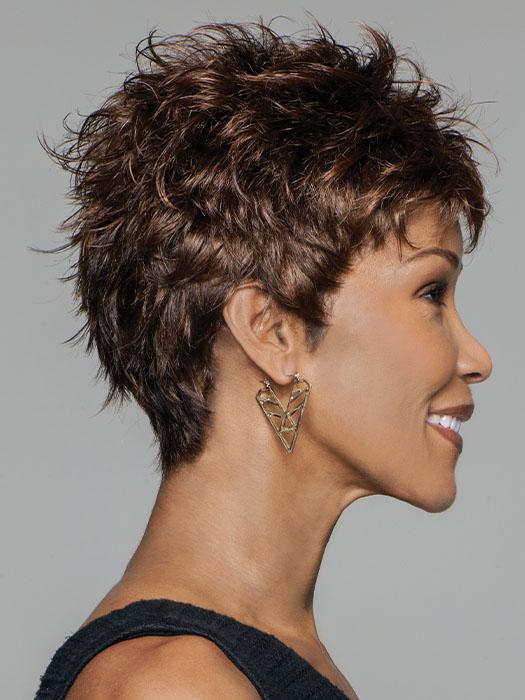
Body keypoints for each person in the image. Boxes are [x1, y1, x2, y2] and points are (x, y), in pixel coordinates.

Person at [35, 16, 493, 700]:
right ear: (272, 331)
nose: (477, 358)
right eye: (431, 292)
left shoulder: (260, 657)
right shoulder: (176, 684)